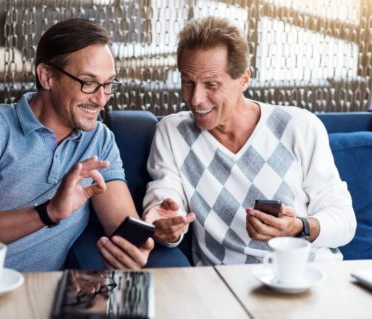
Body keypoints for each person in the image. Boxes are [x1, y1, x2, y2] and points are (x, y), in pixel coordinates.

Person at [0, 18, 154, 275]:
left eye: (108, 85)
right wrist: (48, 212)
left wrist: (148, 237)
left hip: (30, 294)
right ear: (47, 76)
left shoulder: (99, 140)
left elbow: (123, 227)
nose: (101, 98)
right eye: (88, 83)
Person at [143, 16, 357, 265]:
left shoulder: (298, 126)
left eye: (211, 84)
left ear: (244, 79)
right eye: (187, 82)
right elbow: (164, 194)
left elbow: (344, 221)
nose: (196, 99)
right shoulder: (172, 132)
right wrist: (166, 222)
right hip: (226, 286)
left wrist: (297, 227)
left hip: (307, 275)